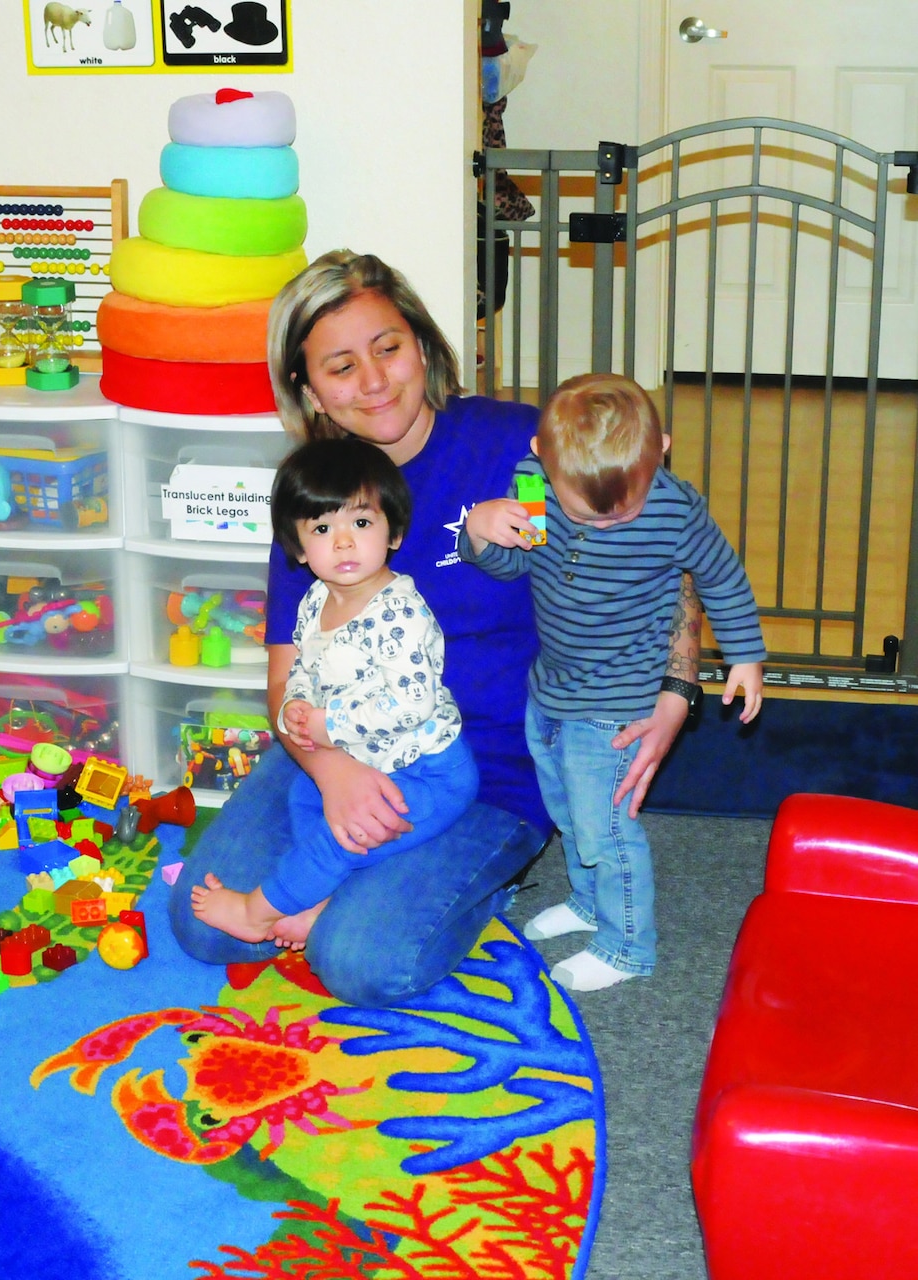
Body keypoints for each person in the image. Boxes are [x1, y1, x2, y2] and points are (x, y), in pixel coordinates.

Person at [167, 250, 701, 1007]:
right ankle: (367, 871)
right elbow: (285, 676)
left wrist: (676, 687)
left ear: (422, 343)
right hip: (336, 748)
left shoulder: (527, 445)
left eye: (387, 348)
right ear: (307, 386)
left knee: (360, 961)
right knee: (208, 929)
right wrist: (332, 772)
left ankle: (474, 879)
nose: (374, 380)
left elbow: (662, 547)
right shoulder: (315, 492)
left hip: (485, 768)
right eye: (340, 365)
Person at [460, 371, 766, 992]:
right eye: (585, 514)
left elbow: (723, 577)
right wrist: (480, 533)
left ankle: (628, 943)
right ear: (544, 458)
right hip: (551, 688)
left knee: (610, 825)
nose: (602, 525)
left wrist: (745, 655)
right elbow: (513, 563)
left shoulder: (676, 509)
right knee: (568, 810)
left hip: (620, 703)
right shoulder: (535, 480)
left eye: (620, 513)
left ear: (662, 451)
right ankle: (586, 899)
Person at [190, 436, 478, 949]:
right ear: (300, 549)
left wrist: (331, 723)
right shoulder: (315, 600)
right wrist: (299, 702)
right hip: (360, 756)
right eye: (323, 528)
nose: (344, 542)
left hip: (428, 771)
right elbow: (304, 663)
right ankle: (315, 898)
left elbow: (412, 702)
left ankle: (257, 912)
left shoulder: (400, 614)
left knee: (342, 837)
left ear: (394, 532)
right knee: (306, 795)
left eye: (361, 523)